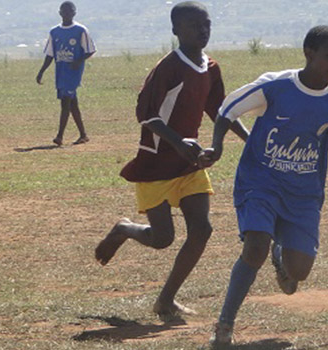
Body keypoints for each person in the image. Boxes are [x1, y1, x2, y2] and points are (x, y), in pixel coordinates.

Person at [203, 25, 328, 347]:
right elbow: (226, 111)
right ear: (309, 53)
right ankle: (224, 325)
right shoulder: (276, 86)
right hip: (260, 182)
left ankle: (281, 255)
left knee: (299, 272)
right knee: (254, 247)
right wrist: (219, 147)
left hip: (304, 194)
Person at [93, 1, 249, 318]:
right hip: (156, 163)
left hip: (189, 163)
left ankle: (165, 300)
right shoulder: (168, 68)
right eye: (194, 25)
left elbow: (221, 112)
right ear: (175, 30)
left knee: (202, 230)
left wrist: (248, 140)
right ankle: (124, 228)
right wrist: (178, 143)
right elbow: (147, 115)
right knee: (163, 238)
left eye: (206, 24)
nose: (202, 30)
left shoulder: (211, 67)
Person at [35, 1, 95, 146]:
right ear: (60, 13)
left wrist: (78, 61)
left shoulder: (81, 30)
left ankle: (59, 136)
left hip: (73, 73)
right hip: (61, 71)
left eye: (70, 11)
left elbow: (90, 50)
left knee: (65, 102)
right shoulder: (54, 32)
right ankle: (83, 135)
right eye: (64, 11)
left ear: (74, 13)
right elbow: (50, 54)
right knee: (72, 104)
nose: (67, 14)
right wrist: (42, 71)